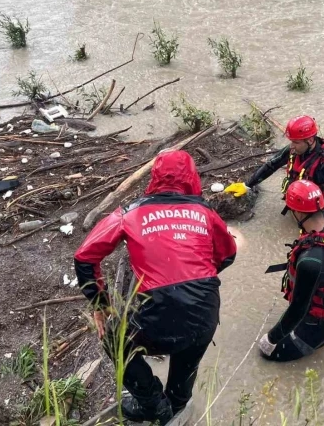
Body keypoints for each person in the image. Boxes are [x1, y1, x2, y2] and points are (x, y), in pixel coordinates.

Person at [74, 150, 237, 425]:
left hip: (157, 311)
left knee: (115, 340)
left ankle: (151, 403)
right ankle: (174, 409)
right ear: (192, 177)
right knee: (187, 358)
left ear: (155, 177)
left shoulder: (130, 212)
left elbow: (85, 256)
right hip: (205, 308)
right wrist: (197, 278)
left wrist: (100, 306)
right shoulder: (205, 211)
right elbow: (228, 254)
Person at [258, 180, 324, 362]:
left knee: (266, 354)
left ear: (298, 213)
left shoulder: (311, 261)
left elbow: (298, 309)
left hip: (317, 329)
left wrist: (271, 338)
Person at [224, 115, 324, 220]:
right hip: (300, 207)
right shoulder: (295, 149)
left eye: (296, 142)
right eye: (291, 141)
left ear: (310, 140)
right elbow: (271, 165)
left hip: (316, 213)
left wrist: (322, 223)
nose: (291, 146)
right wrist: (248, 185)